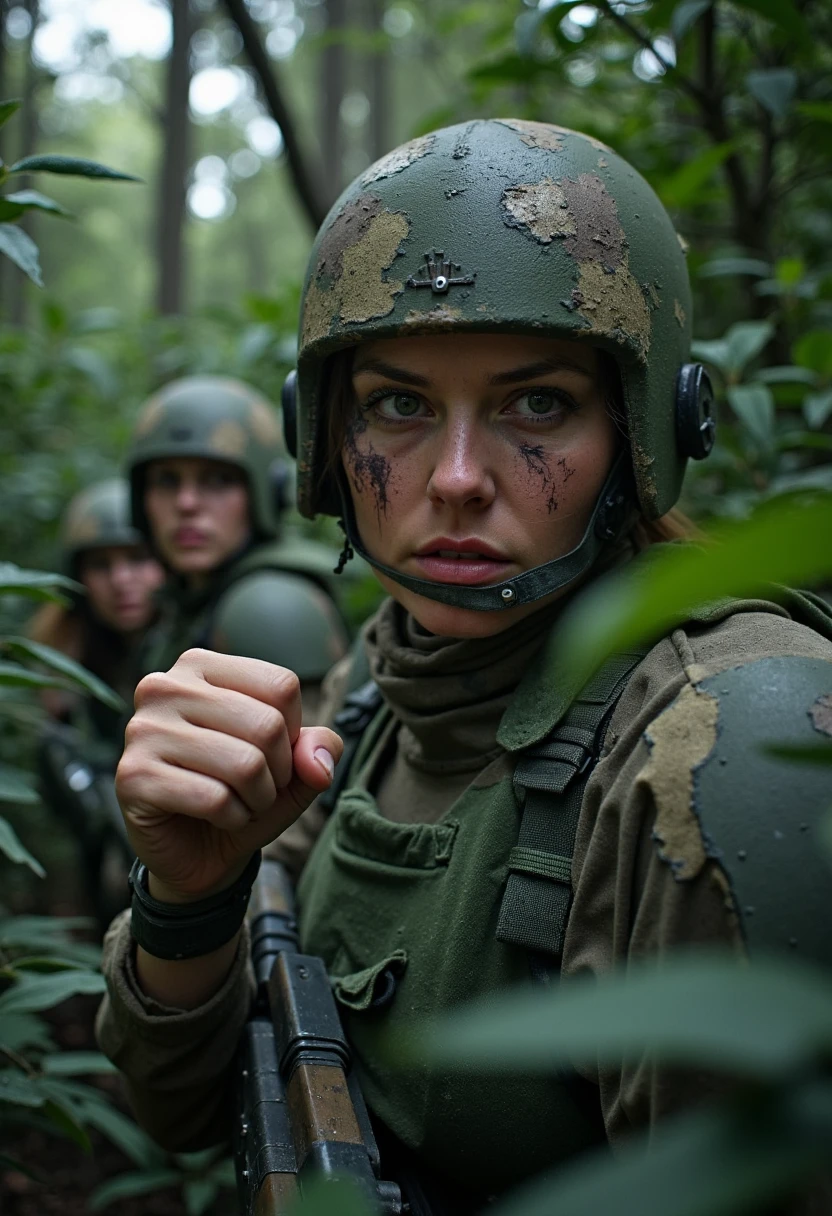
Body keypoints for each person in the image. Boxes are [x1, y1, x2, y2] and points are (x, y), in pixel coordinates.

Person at [96, 121, 832, 1211]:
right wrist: (193, 897)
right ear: (323, 438)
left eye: (536, 404)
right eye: (396, 405)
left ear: (648, 431)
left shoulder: (715, 741)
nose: (452, 480)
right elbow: (180, 1106)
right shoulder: (387, 675)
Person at [125, 374, 350, 719]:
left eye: (217, 480)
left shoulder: (267, 606)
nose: (186, 503)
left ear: (264, 493)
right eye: (167, 480)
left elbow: (309, 766)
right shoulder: (191, 597)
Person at [31, 478, 164, 925]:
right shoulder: (66, 656)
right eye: (101, 565)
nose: (121, 581)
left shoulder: (190, 637)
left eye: (137, 559)